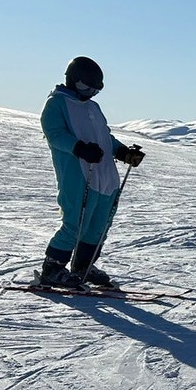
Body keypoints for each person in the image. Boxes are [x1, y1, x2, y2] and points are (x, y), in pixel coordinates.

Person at [38, 56, 145, 289]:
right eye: (85, 87)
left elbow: (105, 137)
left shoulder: (93, 107)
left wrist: (123, 152)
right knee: (76, 221)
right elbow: (55, 134)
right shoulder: (57, 103)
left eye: (95, 90)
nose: (89, 93)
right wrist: (79, 148)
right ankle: (53, 267)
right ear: (72, 81)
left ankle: (83, 266)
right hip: (78, 174)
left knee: (99, 224)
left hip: (106, 176)